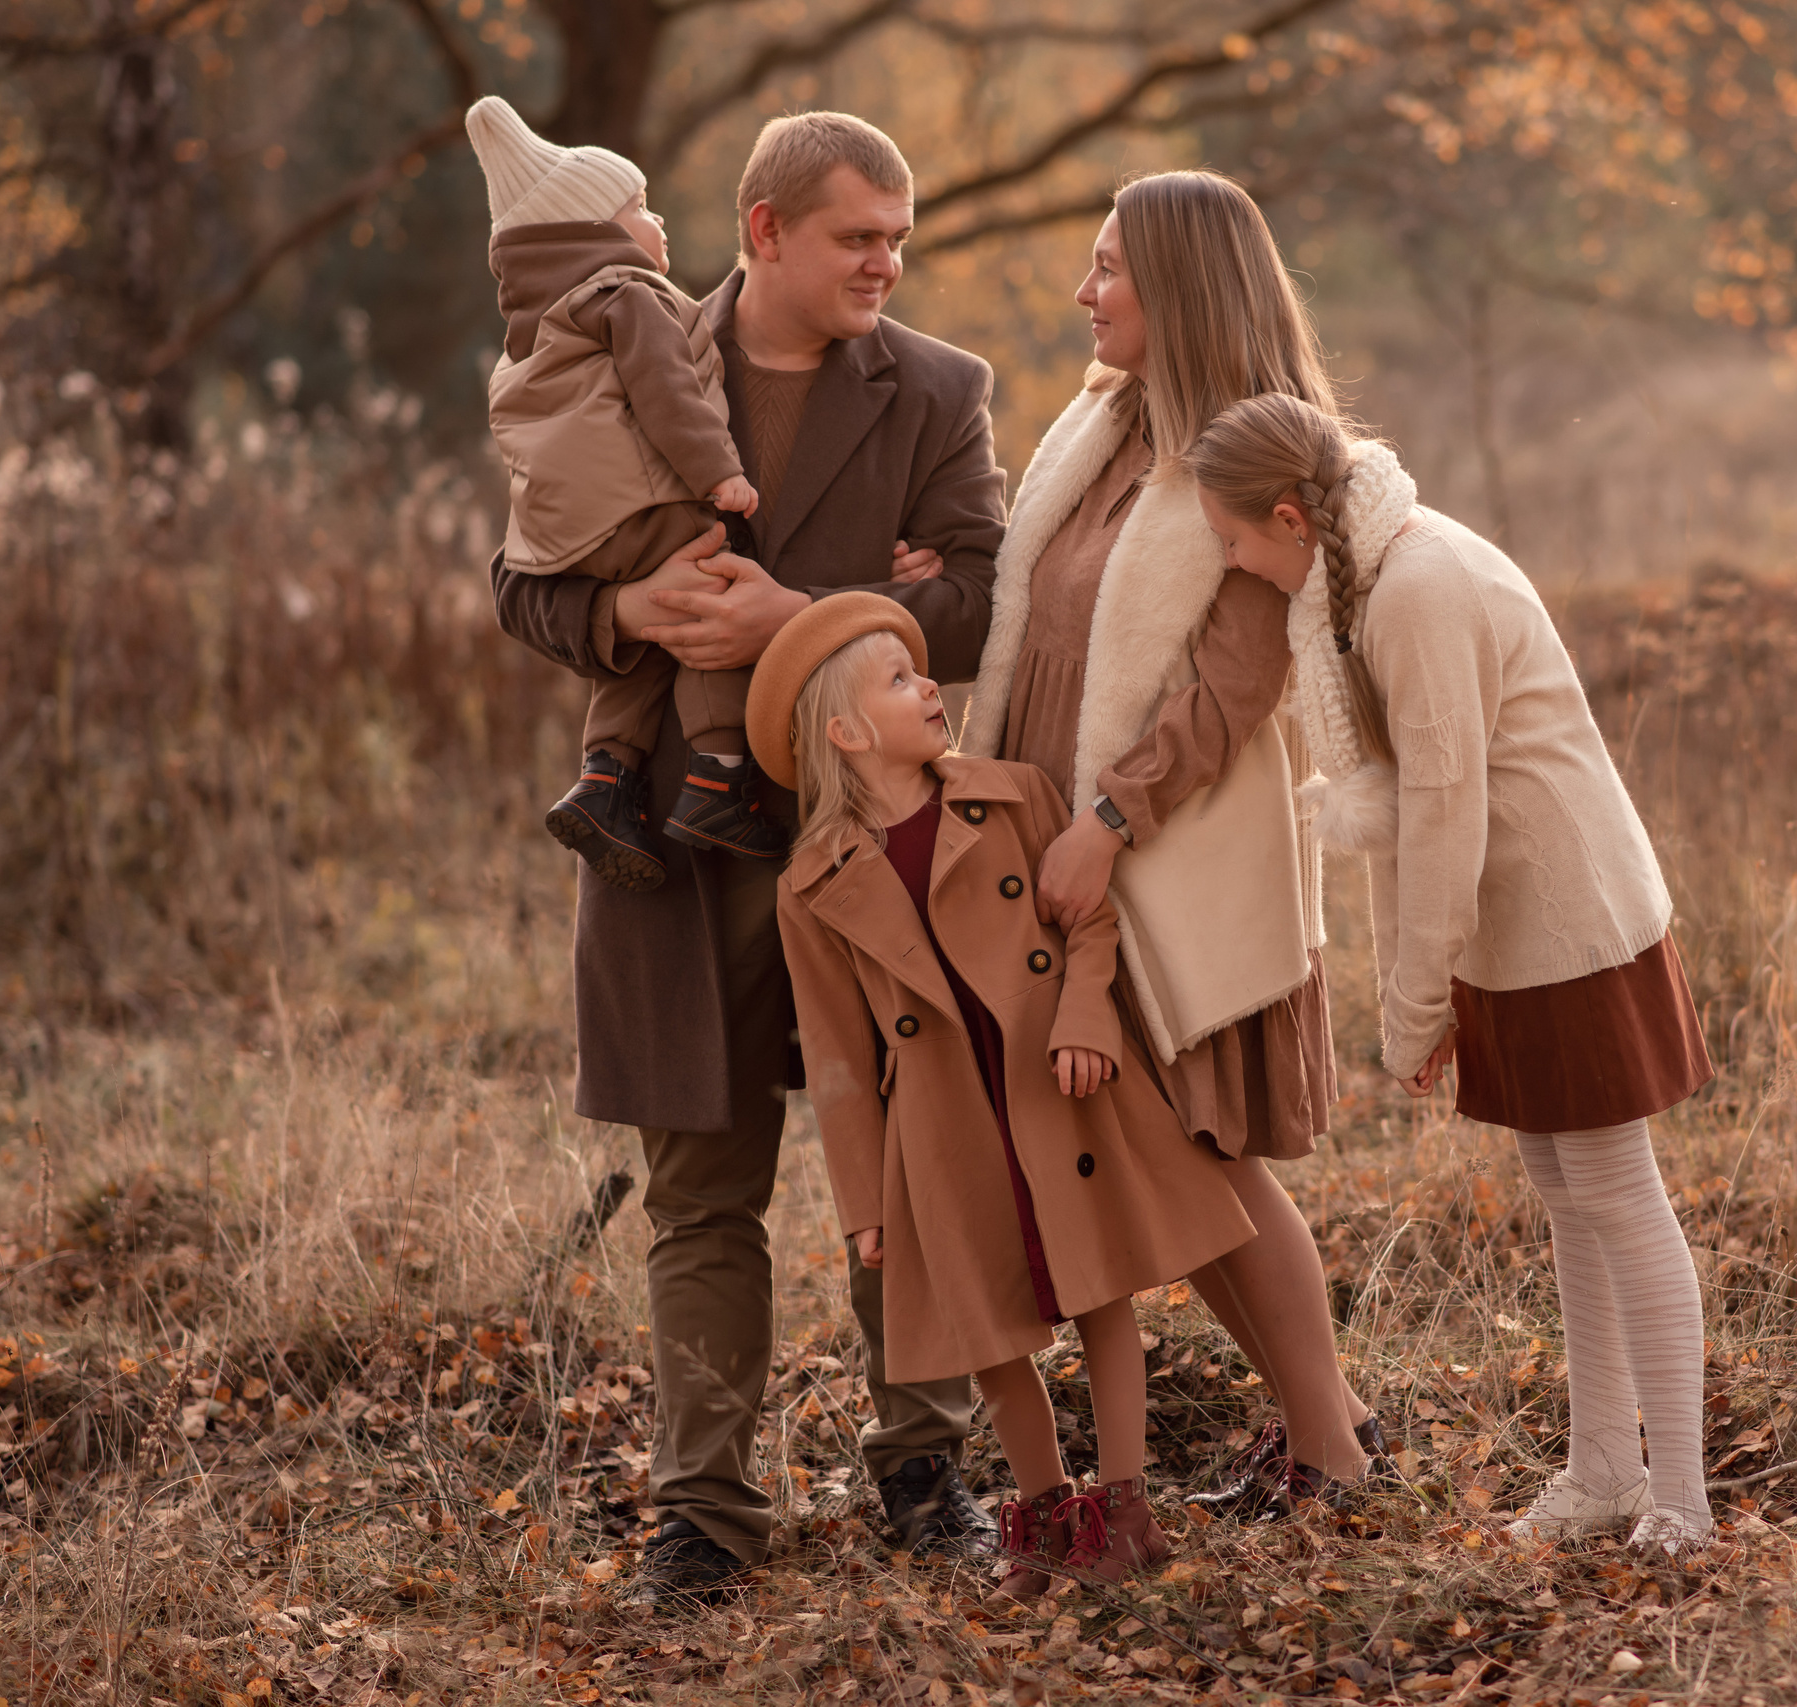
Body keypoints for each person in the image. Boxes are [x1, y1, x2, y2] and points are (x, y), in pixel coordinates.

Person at [488, 110, 1008, 1607]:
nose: (888, 264)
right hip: (666, 844)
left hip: (870, 850)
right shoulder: (616, 337)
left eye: (899, 239)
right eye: (860, 237)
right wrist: (625, 618)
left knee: (905, 1162)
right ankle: (703, 1514)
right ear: (765, 230)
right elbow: (523, 582)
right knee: (701, 1195)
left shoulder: (938, 390)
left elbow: (979, 595)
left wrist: (804, 614)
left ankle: (925, 1472)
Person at [1185, 391, 1718, 1553]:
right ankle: (1602, 1475)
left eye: (1232, 542)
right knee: (1569, 1202)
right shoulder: (1366, 582)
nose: (1233, 565)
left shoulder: (1416, 589)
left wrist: (1414, 1004)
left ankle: (1679, 1495)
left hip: (1567, 924)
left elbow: (1441, 812)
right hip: (1511, 931)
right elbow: (1402, 807)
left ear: (1288, 518)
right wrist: (1430, 990)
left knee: (1618, 1198)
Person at [949, 170, 1379, 1508]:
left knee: (1204, 1157)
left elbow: (1235, 681)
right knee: (1169, 1168)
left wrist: (1109, 816)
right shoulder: (1103, 426)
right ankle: (1328, 1428)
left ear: (1180, 287)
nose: (1085, 294)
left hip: (1165, 847)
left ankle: (1340, 1455)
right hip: (1058, 830)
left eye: (1108, 270)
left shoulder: (1257, 452)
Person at [759, 594, 1257, 1598]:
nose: (928, 687)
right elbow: (840, 1057)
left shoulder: (1009, 795)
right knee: (987, 1332)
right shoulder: (812, 882)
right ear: (845, 733)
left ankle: (1124, 1511)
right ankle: (1043, 1518)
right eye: (897, 681)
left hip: (1051, 1081)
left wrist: (1084, 1016)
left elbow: (1088, 918)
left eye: (921, 669)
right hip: (942, 1124)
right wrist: (862, 1205)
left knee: (1100, 1286)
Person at [465, 95, 774, 880]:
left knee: (638, 644)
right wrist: (722, 475)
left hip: (571, 536)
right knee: (705, 596)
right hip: (646, 501)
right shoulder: (627, 294)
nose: (657, 221)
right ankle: (719, 774)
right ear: (592, 231)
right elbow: (666, 390)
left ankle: (604, 780)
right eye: (639, 207)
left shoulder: (538, 330)